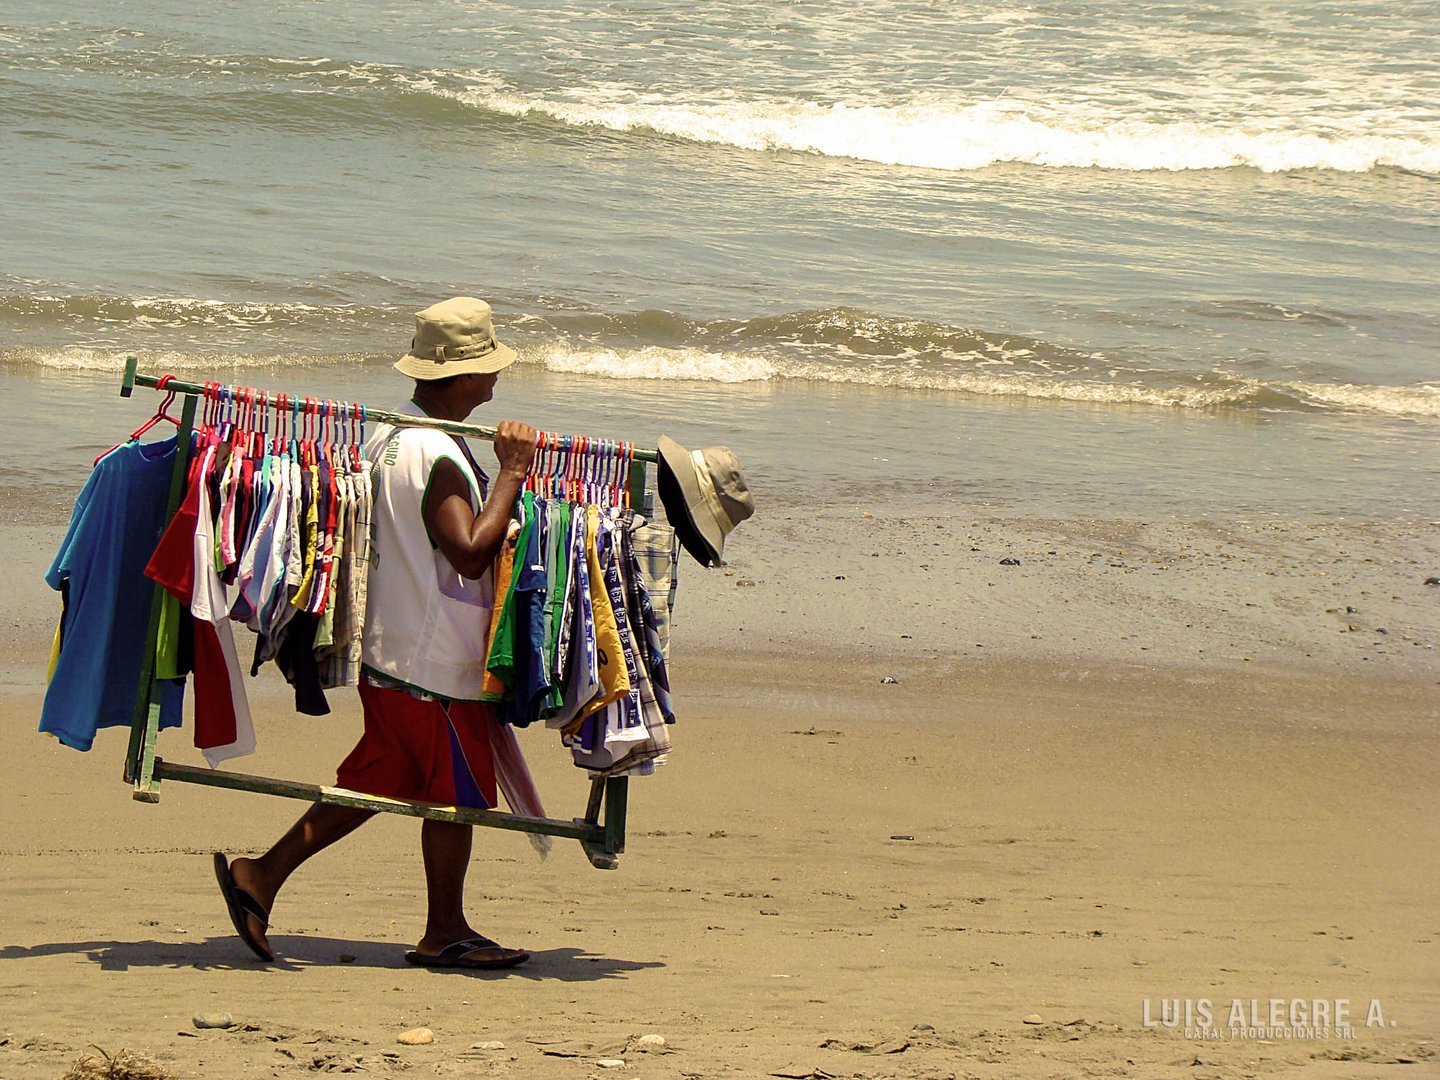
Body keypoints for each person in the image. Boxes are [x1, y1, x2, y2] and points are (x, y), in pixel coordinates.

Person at [213, 297, 538, 971]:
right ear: (465, 376)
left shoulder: (387, 439)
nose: (498, 380)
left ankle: (261, 876)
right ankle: (442, 929)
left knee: (385, 780)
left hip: (393, 646)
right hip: (431, 658)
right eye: (489, 367)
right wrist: (510, 473)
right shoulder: (438, 455)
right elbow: (469, 551)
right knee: (455, 793)